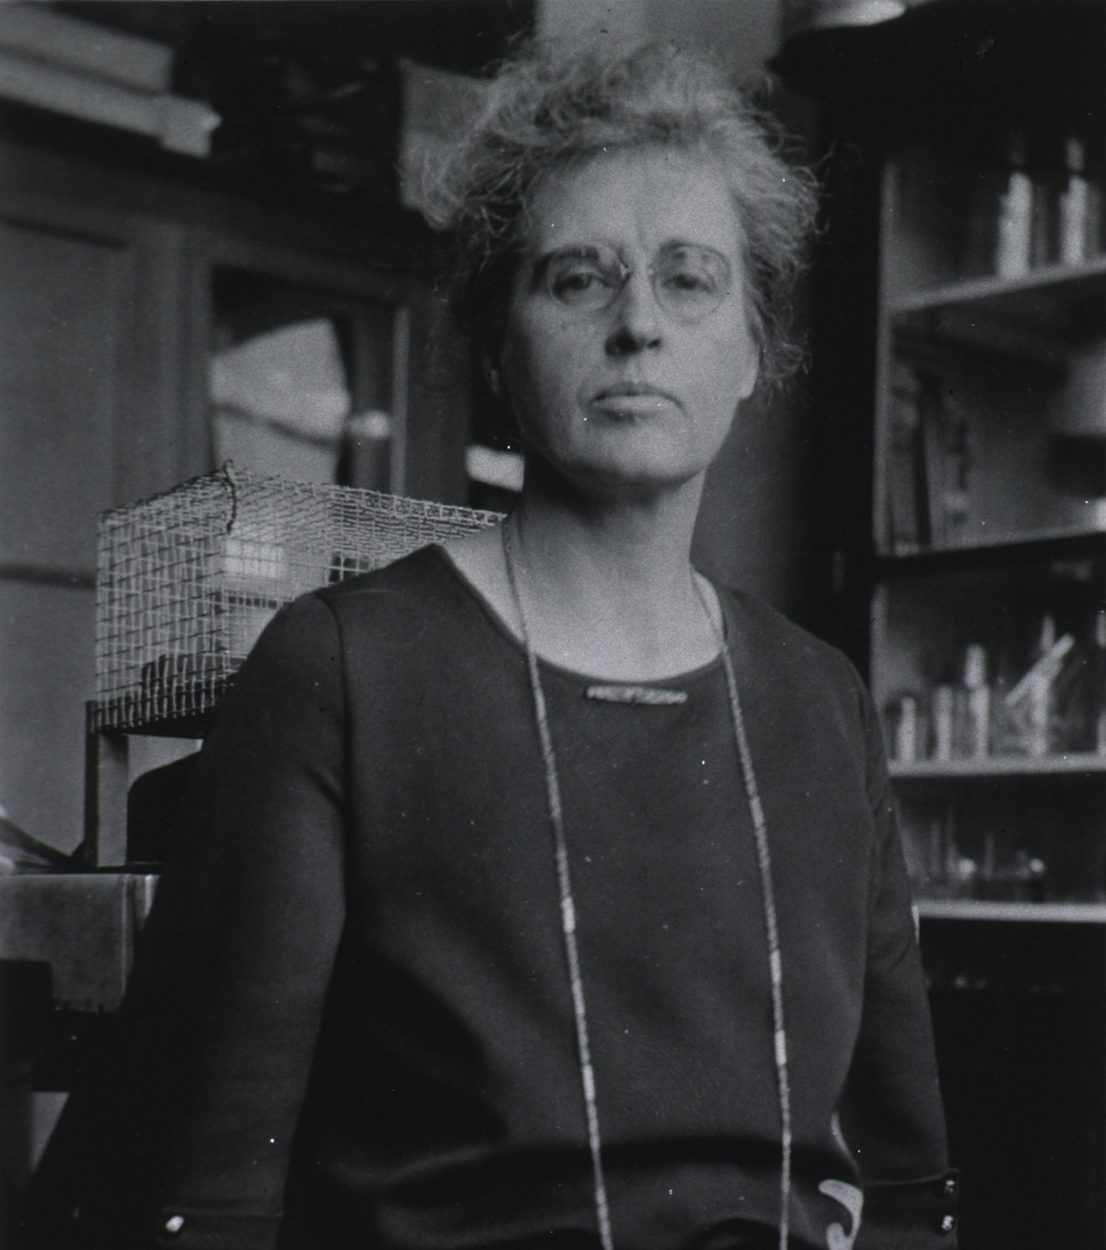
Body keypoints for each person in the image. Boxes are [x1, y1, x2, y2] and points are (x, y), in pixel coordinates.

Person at [23, 34, 957, 1250]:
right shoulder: (341, 670)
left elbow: (906, 1188)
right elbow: (209, 1200)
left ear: (751, 355)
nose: (637, 325)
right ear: (491, 347)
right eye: (576, 278)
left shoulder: (821, 700)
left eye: (689, 280)